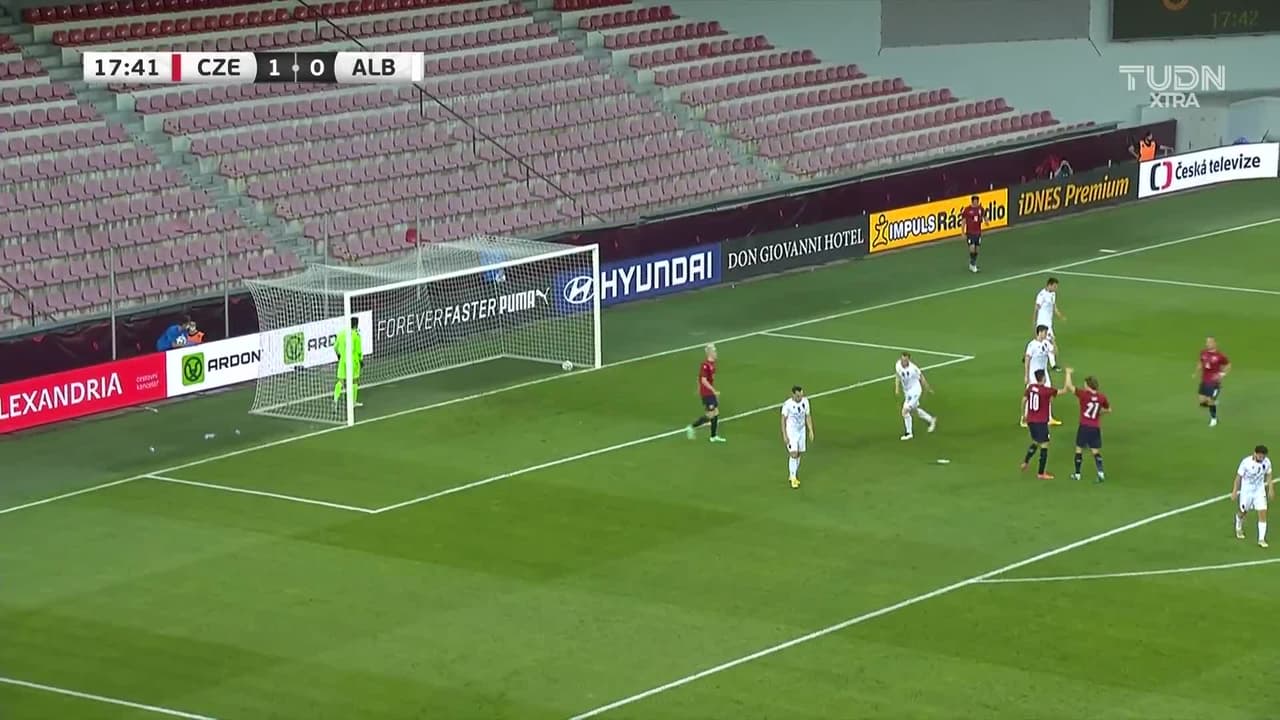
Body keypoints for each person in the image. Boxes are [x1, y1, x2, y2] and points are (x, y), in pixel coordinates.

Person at [1062, 369, 1110, 483]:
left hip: (1084, 426)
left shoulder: (1083, 395)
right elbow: (1108, 409)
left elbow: (1069, 386)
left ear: (1088, 385)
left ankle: (1077, 474)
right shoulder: (1102, 397)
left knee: (1079, 449)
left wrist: (1068, 373)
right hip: (1095, 427)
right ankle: (1101, 473)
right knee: (1095, 451)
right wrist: (1098, 413)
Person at [1020, 368, 1058, 480]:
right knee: (1044, 445)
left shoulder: (1030, 388)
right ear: (1044, 378)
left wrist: (1023, 415)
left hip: (1031, 421)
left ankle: (1025, 462)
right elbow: (1062, 391)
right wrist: (1068, 377)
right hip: (1041, 422)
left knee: (1036, 441)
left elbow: (1023, 400)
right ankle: (1041, 473)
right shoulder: (1046, 390)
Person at [1232, 445, 1273, 548]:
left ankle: (1261, 539)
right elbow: (1238, 477)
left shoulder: (1267, 462)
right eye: (1260, 455)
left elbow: (1269, 475)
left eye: (1263, 456)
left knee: (1263, 512)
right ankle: (1238, 524)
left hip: (1259, 491)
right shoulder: (1246, 462)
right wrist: (1235, 491)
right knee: (1243, 512)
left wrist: (1271, 489)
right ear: (1255, 453)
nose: (1261, 458)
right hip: (1247, 492)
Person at [1022, 325, 1061, 427]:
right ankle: (1025, 418)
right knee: (1030, 394)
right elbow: (1027, 359)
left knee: (1049, 393)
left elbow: (1055, 352)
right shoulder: (1032, 345)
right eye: (1045, 332)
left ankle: (1049, 417)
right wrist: (1026, 375)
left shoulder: (1046, 343)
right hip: (1033, 373)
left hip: (1044, 373)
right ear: (1039, 332)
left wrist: (1053, 341)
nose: (1046, 334)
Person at [893, 352, 936, 441]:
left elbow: (921, 378)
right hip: (907, 392)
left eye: (905, 360)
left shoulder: (913, 368)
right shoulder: (898, 365)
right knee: (915, 410)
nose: (903, 362)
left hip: (915, 391)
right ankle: (931, 420)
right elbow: (897, 376)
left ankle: (909, 433)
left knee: (905, 411)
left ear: (908, 360)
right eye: (902, 360)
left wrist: (927, 388)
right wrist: (897, 388)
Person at [687, 344, 725, 442]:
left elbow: (701, 378)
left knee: (715, 412)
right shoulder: (705, 365)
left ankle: (713, 436)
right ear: (710, 353)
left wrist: (699, 388)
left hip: (709, 391)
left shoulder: (712, 364)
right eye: (714, 351)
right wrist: (713, 391)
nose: (716, 353)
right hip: (707, 393)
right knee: (711, 414)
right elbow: (703, 380)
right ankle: (691, 427)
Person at [780, 385, 813, 489]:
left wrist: (810, 430)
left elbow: (807, 416)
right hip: (791, 431)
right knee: (793, 453)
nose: (800, 398)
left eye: (801, 395)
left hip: (801, 430)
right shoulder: (788, 404)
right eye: (798, 396)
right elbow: (783, 420)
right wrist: (784, 435)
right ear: (793, 395)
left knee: (798, 454)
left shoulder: (805, 402)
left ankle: (792, 474)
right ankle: (793, 478)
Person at [1195, 336, 1229, 427]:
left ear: (1214, 343)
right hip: (1204, 380)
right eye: (1207, 342)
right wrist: (1196, 371)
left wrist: (1221, 374)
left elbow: (1228, 364)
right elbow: (1201, 362)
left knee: (1210, 400)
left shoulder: (1220, 356)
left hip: (1214, 382)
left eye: (1210, 342)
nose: (1207, 344)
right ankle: (1213, 402)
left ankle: (1214, 419)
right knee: (1202, 402)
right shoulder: (1203, 352)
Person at [1032, 277, 1066, 371]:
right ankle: (1053, 365)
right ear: (1049, 285)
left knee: (1041, 342)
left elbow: (1054, 307)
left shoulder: (1053, 294)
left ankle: (1030, 356)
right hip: (1042, 323)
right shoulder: (1041, 295)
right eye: (1054, 286)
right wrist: (1034, 321)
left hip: (1049, 323)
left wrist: (1060, 316)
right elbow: (1036, 308)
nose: (1056, 288)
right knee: (1051, 343)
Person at [333, 316, 363, 409]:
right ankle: (353, 402)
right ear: (356, 325)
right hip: (353, 361)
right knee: (354, 381)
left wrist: (339, 356)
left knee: (340, 381)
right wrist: (361, 360)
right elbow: (359, 350)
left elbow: (335, 347)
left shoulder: (341, 334)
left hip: (343, 360)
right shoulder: (356, 335)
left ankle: (335, 398)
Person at [961, 194, 984, 273]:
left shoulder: (980, 208)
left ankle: (972, 264)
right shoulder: (967, 210)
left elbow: (983, 215)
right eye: (975, 201)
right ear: (972, 201)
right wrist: (962, 232)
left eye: (977, 201)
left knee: (977, 250)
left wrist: (986, 220)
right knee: (972, 248)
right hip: (970, 233)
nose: (976, 203)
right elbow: (963, 221)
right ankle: (973, 265)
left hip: (978, 232)